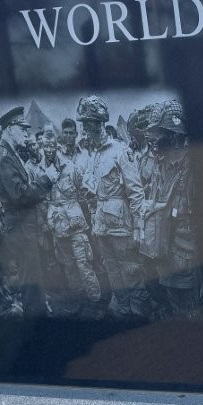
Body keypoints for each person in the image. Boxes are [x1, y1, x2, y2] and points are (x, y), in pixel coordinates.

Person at [73, 95, 146, 319]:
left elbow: (136, 192)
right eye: (83, 123)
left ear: (100, 122)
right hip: (101, 225)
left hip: (122, 225)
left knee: (131, 270)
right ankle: (124, 309)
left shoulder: (120, 151)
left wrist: (139, 227)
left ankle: (139, 314)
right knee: (111, 270)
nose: (84, 127)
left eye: (88, 122)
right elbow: (89, 191)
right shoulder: (90, 154)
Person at [138, 99, 202, 318]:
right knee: (173, 307)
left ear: (175, 136)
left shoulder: (194, 167)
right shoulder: (161, 164)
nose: (154, 139)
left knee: (190, 312)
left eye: (159, 133)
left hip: (186, 257)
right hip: (163, 254)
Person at [0, 106, 53, 317]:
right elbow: (20, 195)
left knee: (33, 275)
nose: (27, 133)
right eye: (22, 129)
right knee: (30, 278)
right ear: (10, 129)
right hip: (20, 225)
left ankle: (38, 316)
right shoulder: (5, 156)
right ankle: (36, 326)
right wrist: (46, 180)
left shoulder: (8, 153)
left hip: (22, 224)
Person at [39, 127, 101, 316]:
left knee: (84, 264)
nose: (49, 149)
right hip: (57, 226)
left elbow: (86, 187)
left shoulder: (70, 167)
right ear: (42, 147)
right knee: (69, 266)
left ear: (57, 146)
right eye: (45, 146)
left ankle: (95, 301)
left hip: (75, 224)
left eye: (52, 145)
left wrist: (94, 208)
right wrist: (45, 221)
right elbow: (39, 200)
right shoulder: (38, 170)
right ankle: (79, 299)